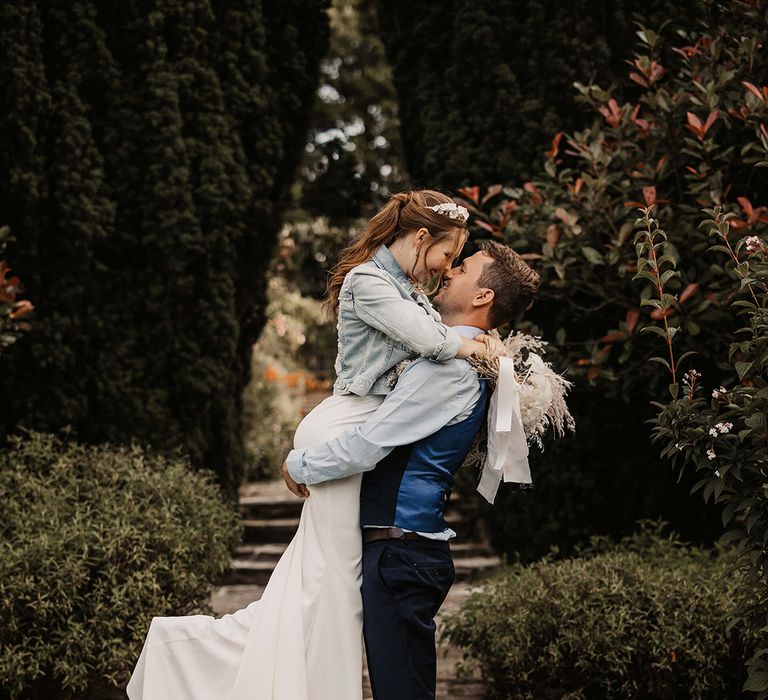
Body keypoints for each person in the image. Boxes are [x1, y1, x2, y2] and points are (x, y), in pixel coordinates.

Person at [126, 190, 500, 700]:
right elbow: (434, 344)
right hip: (347, 424)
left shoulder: (405, 286)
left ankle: (209, 657)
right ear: (418, 238)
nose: (445, 268)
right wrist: (480, 344)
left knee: (323, 586)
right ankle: (195, 656)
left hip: (355, 426)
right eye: (445, 255)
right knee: (329, 587)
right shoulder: (370, 280)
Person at [283, 241, 540, 700]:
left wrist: (299, 463)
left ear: (483, 297)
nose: (450, 271)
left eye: (463, 268)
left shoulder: (451, 372)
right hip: (405, 551)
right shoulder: (463, 359)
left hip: (400, 552)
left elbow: (370, 445)